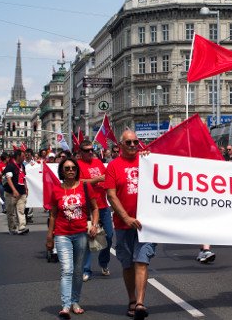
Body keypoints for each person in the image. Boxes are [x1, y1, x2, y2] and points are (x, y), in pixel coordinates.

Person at [105, 131, 156, 319]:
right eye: (129, 142)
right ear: (121, 144)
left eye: (136, 141)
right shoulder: (113, 166)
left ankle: (141, 303)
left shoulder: (147, 160)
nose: (133, 145)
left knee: (142, 261)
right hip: (123, 224)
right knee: (128, 264)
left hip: (145, 224)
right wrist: (126, 217)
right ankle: (132, 299)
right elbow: (111, 194)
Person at [46, 157, 99, 318]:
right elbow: (53, 215)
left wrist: (94, 225)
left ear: (77, 171)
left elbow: (95, 208)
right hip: (62, 234)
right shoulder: (56, 189)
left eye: (73, 168)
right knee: (67, 270)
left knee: (77, 271)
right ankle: (65, 306)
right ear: (62, 171)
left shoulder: (85, 186)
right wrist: (50, 236)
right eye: (67, 168)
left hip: (81, 233)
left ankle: (75, 301)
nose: (70, 170)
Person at [77, 139, 112, 281]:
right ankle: (86, 269)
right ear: (80, 152)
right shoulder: (77, 165)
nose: (90, 152)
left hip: (103, 205)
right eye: (87, 150)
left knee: (109, 236)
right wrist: (96, 180)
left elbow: (107, 178)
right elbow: (79, 182)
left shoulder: (98, 162)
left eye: (92, 149)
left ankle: (104, 263)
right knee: (88, 238)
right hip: (88, 208)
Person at [2, 149, 29, 235]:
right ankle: (12, 228)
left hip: (21, 192)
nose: (24, 158)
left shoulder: (22, 166)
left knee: (21, 210)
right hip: (11, 193)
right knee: (11, 211)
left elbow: (23, 177)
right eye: (22, 156)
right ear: (18, 156)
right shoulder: (10, 166)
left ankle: (22, 227)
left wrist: (26, 188)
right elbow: (8, 179)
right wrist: (14, 190)